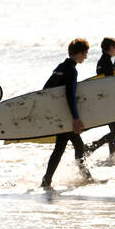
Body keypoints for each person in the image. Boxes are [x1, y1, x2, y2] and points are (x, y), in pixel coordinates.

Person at [41, 38, 92, 188]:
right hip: (66, 116)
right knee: (63, 147)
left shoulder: (61, 67)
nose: (86, 57)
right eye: (85, 53)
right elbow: (70, 95)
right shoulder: (71, 70)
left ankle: (85, 177)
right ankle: (47, 180)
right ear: (80, 53)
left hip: (60, 114)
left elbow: (45, 90)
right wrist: (75, 118)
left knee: (75, 145)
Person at [84, 37, 115, 156]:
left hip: (105, 101)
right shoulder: (106, 62)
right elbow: (109, 83)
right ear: (111, 47)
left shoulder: (101, 61)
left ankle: (111, 157)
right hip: (110, 102)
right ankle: (92, 146)